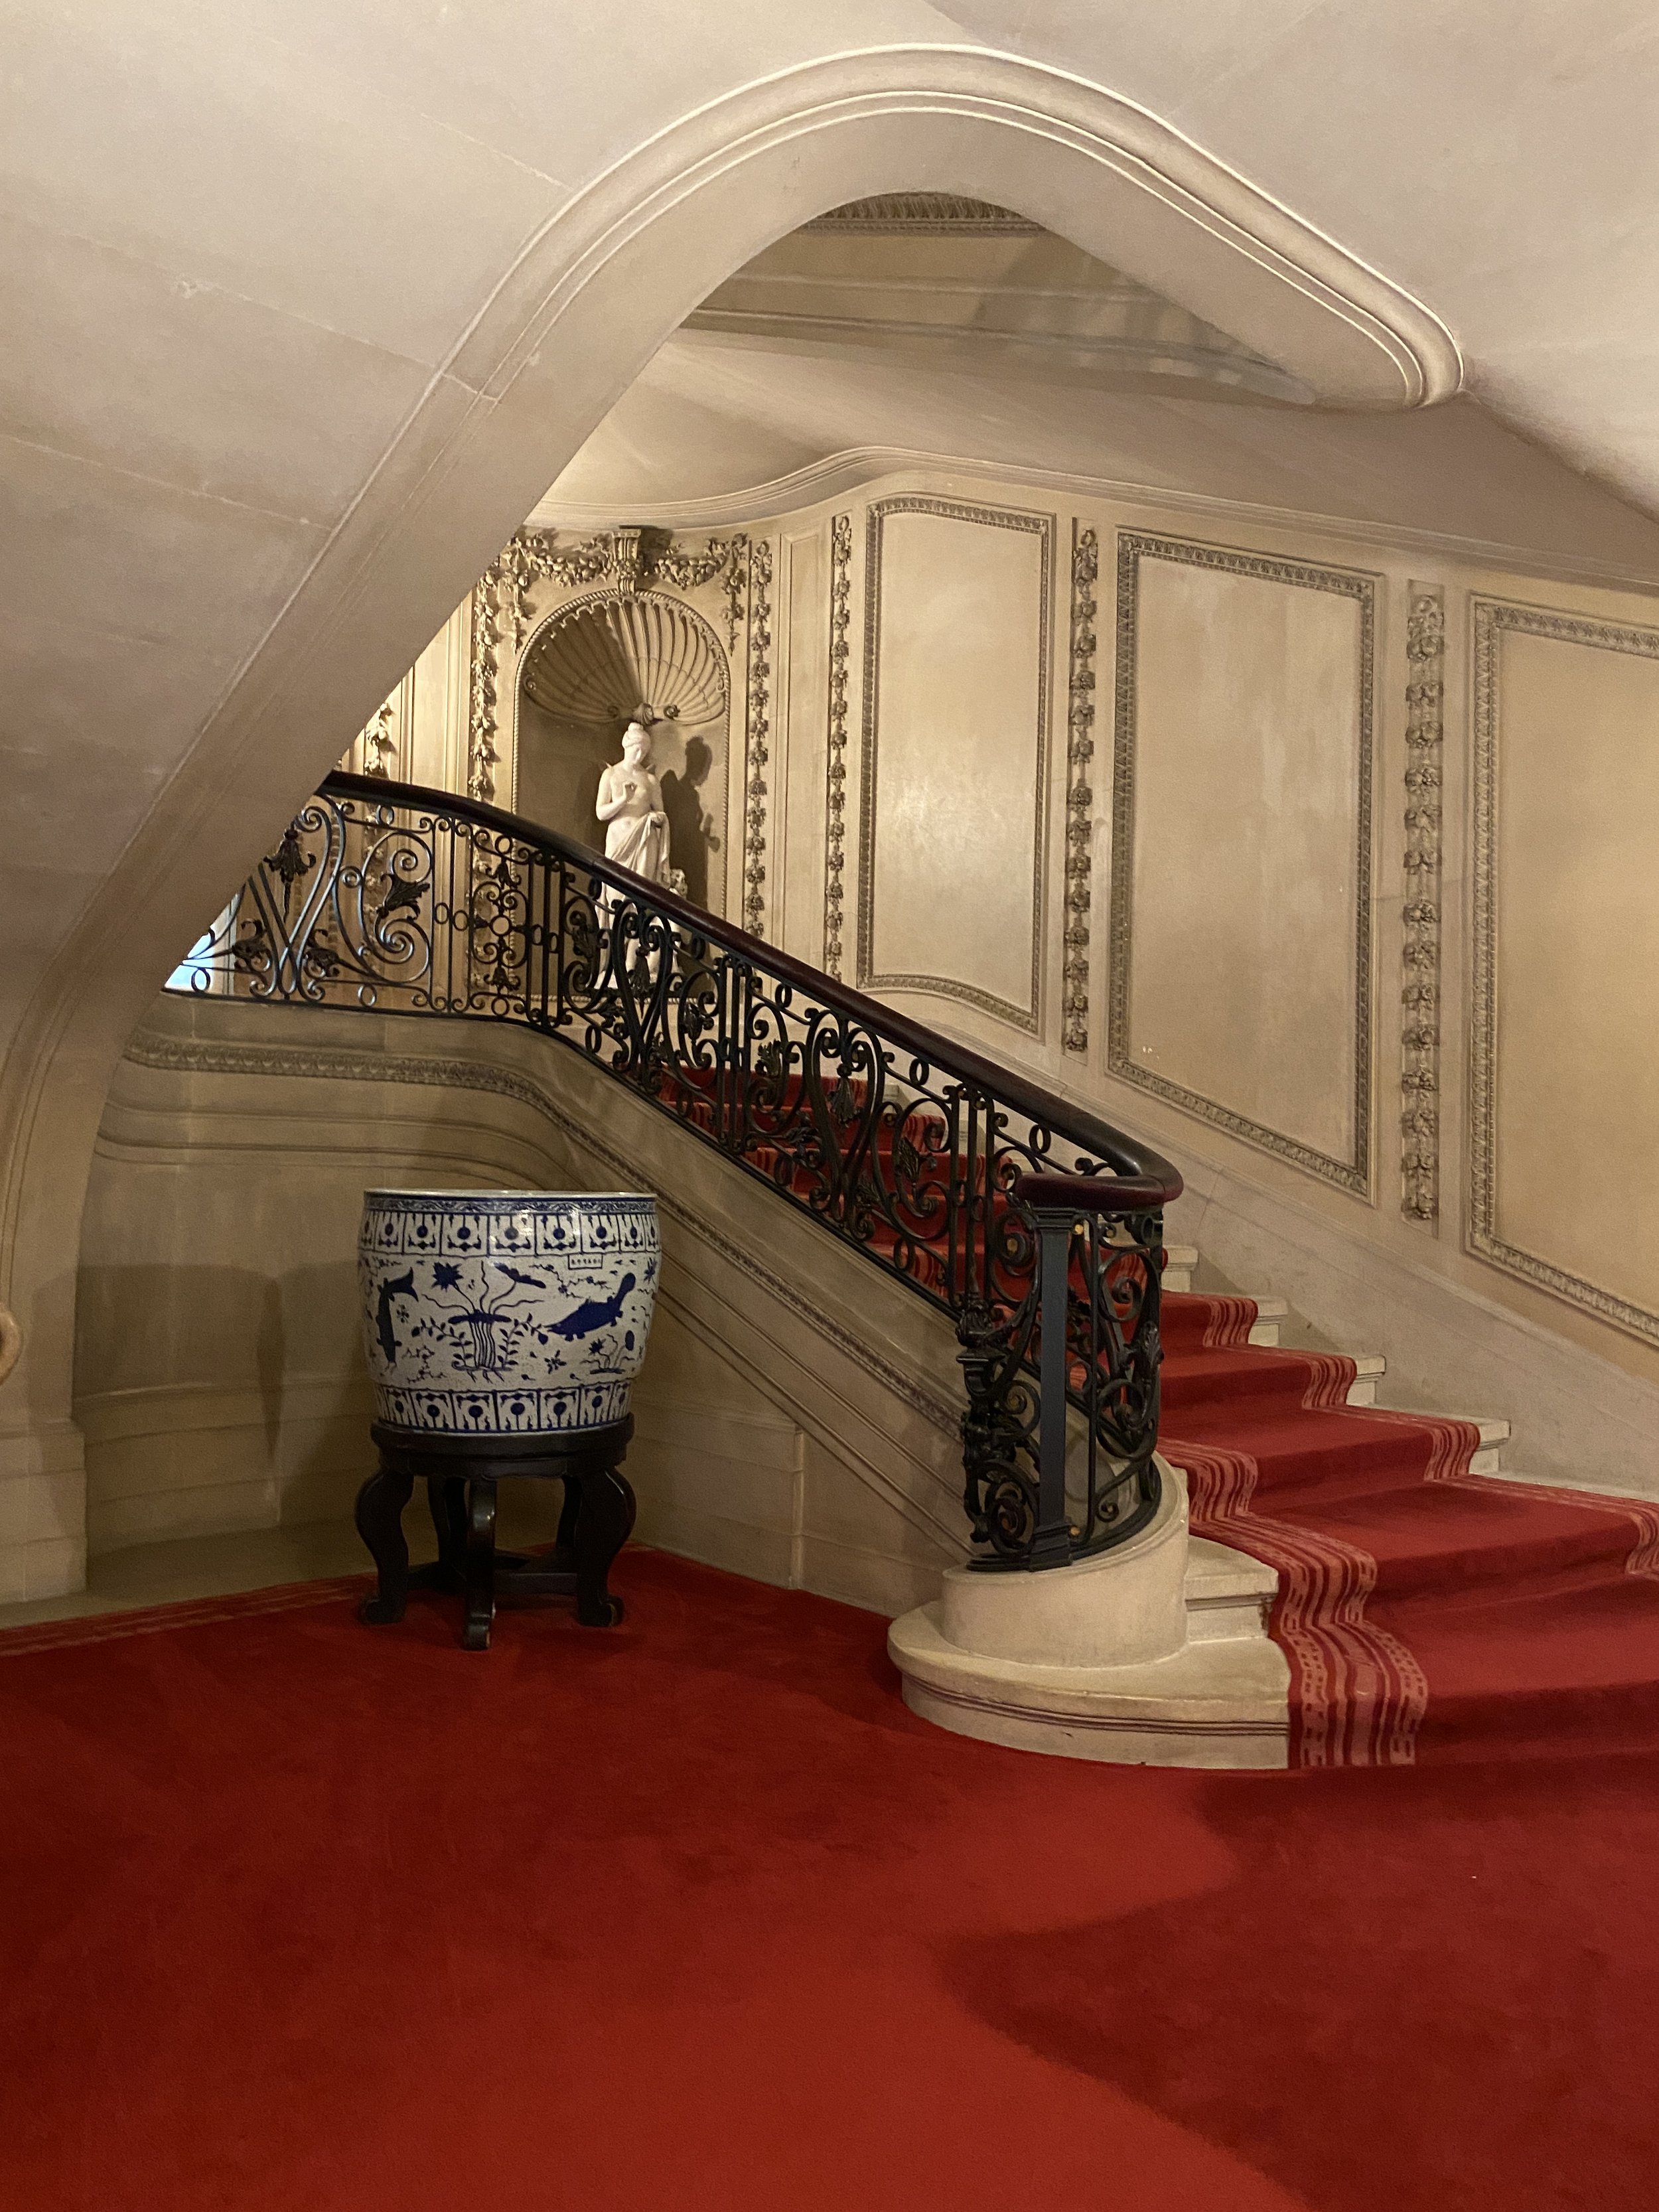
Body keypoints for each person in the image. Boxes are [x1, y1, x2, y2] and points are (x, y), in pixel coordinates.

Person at [595, 714, 672, 886]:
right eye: (636, 749)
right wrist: (623, 800)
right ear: (627, 746)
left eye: (644, 751)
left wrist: (656, 818)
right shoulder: (611, 774)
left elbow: (661, 815)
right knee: (616, 888)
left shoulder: (650, 780)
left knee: (642, 890)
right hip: (618, 839)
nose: (640, 755)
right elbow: (600, 813)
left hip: (645, 841)